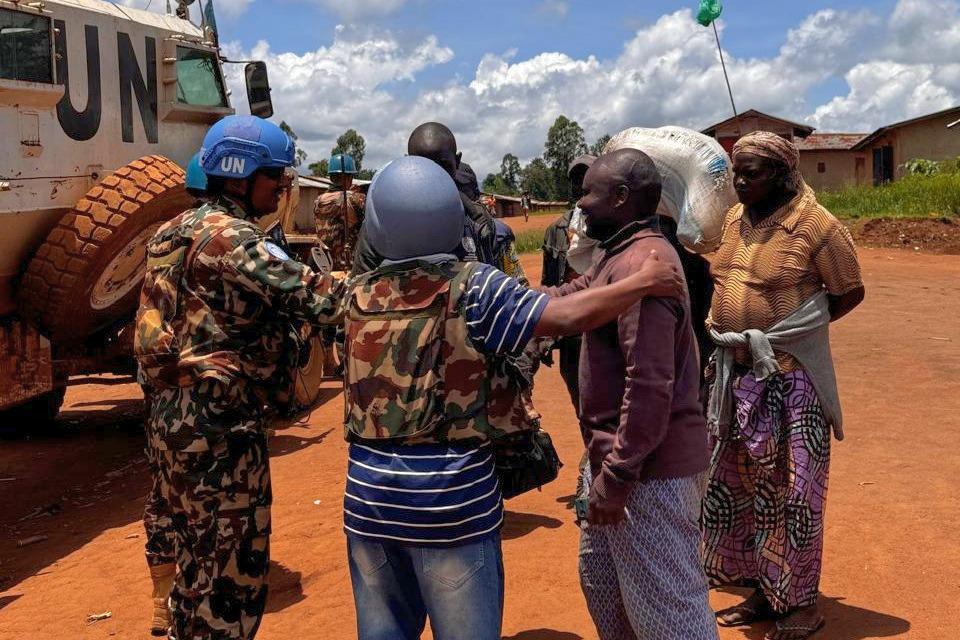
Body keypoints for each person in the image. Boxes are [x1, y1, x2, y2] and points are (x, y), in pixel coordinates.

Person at [341, 155, 686, 640]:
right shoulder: (474, 285)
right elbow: (564, 318)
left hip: (368, 500)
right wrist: (641, 283)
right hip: (453, 500)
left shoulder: (355, 293)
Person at [135, 115, 345, 640]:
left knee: (193, 570)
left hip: (169, 424)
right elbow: (323, 300)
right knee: (230, 583)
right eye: (274, 175)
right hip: (220, 431)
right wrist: (394, 287)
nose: (282, 186)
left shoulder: (169, 233)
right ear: (240, 174)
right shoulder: (233, 238)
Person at [541, 149, 718, 640]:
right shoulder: (616, 255)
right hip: (618, 460)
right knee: (604, 585)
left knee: (669, 614)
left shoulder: (646, 263)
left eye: (588, 194)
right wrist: (498, 294)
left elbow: (649, 386)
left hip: (649, 473)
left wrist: (617, 476)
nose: (580, 204)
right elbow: (571, 296)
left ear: (620, 197)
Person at [701, 131, 865, 640]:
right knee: (749, 487)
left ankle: (802, 605)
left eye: (751, 173)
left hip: (792, 383)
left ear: (781, 173)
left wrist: (791, 332)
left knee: (795, 494)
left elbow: (848, 291)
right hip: (738, 378)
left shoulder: (817, 225)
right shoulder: (733, 219)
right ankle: (765, 590)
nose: (740, 181)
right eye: (736, 171)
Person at [350, 122, 499, 275]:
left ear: (457, 161)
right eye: (423, 164)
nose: (433, 175)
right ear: (408, 161)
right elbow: (361, 283)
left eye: (442, 165)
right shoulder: (382, 222)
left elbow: (500, 280)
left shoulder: (478, 220)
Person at [541, 154, 598, 410]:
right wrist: (546, 336)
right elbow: (549, 282)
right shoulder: (556, 230)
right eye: (576, 179)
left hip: (603, 329)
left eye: (586, 177)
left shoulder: (612, 226)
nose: (580, 184)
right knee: (580, 404)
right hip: (571, 333)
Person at [314, 153, 366, 272]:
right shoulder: (355, 199)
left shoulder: (318, 201)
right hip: (349, 265)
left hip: (325, 263)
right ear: (348, 178)